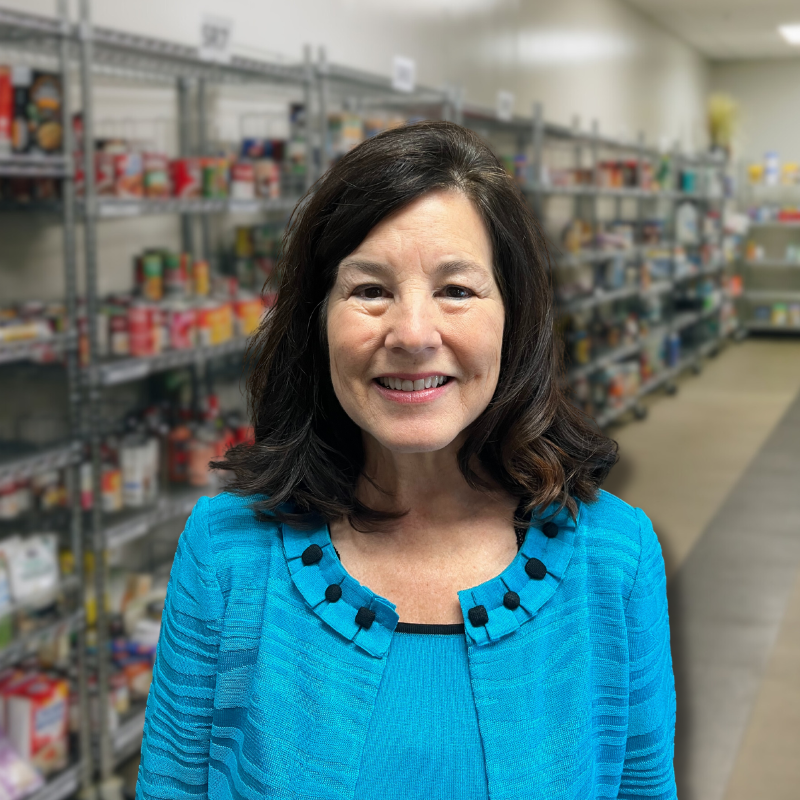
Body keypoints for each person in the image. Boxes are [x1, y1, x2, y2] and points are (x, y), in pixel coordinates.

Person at [135, 121, 676, 800]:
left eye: (457, 289)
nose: (414, 335)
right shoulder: (226, 556)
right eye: (370, 290)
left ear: (515, 316)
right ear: (317, 318)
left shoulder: (615, 559)